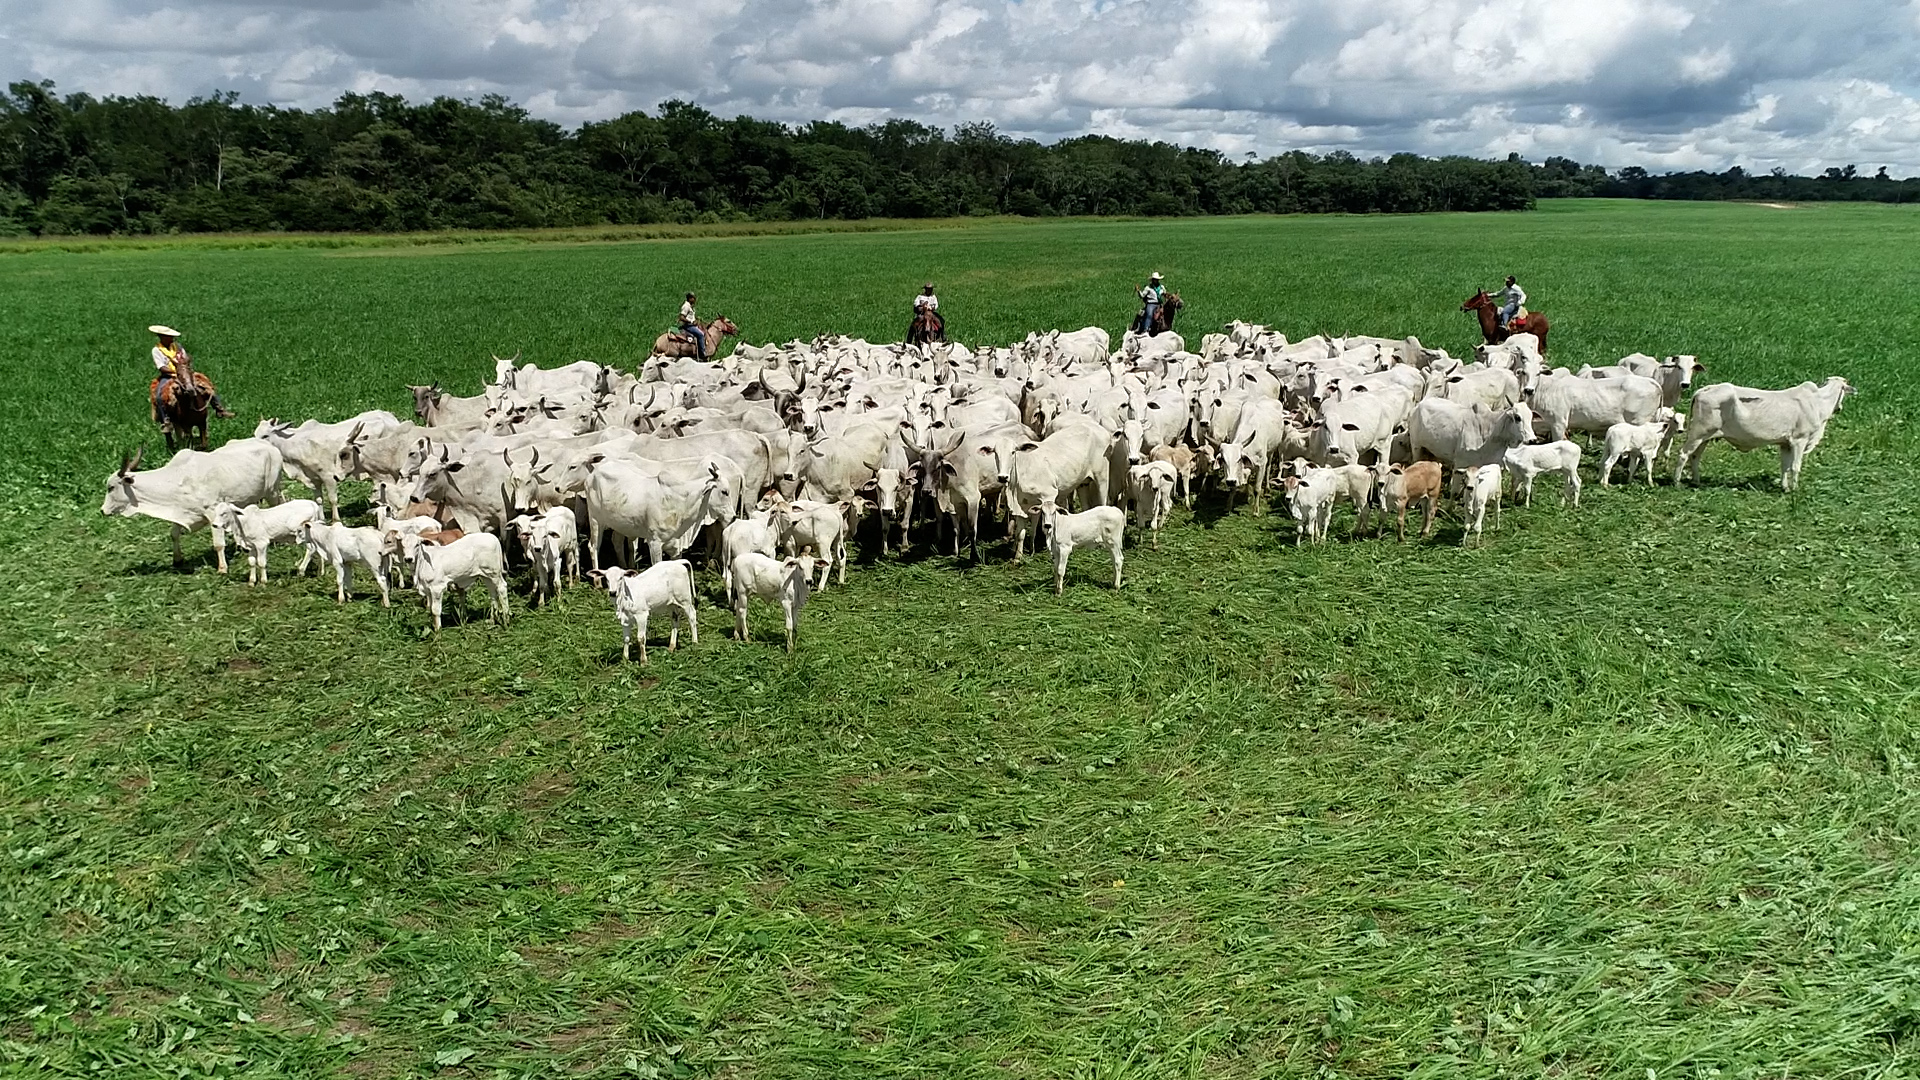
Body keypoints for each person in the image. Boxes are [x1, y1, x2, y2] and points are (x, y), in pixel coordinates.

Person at [149, 324, 234, 422]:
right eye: (169, 337)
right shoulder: (156, 350)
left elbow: (185, 358)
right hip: (169, 376)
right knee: (160, 396)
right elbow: (162, 367)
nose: (172, 338)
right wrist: (177, 371)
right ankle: (166, 420)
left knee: (206, 386)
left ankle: (219, 409)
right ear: (162, 337)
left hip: (185, 374)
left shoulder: (177, 347)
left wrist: (185, 367)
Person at [679, 292, 706, 359]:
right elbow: (682, 317)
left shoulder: (690, 306)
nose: (695, 300)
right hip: (689, 326)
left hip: (691, 325)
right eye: (694, 298)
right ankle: (702, 353)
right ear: (690, 298)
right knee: (701, 334)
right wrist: (691, 322)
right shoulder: (686, 306)